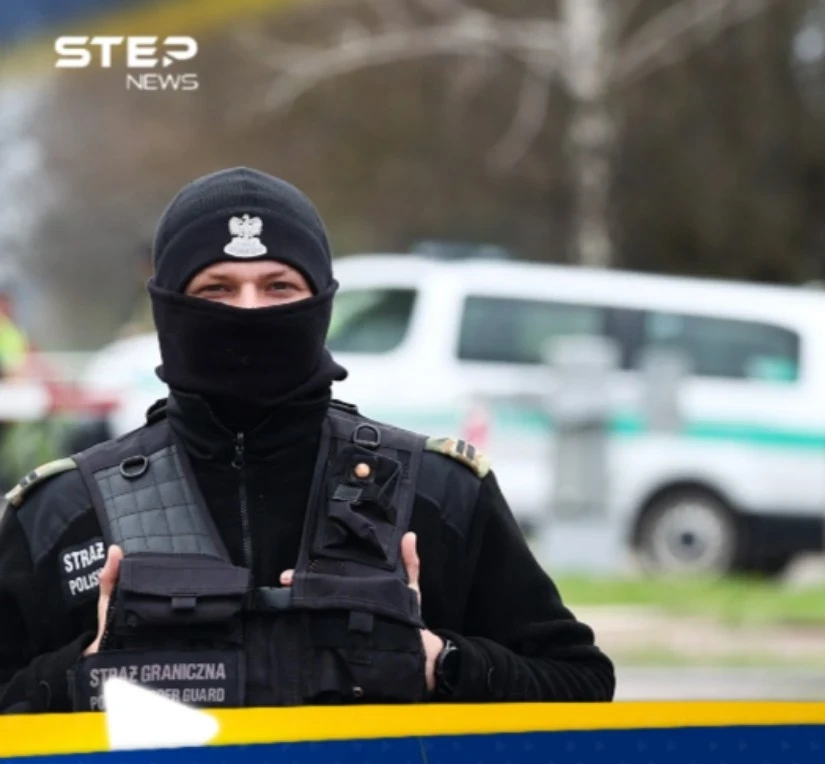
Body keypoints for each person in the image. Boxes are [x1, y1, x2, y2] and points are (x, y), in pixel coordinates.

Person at [0, 167, 615, 713]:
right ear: (168, 307)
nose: (249, 312)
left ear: (319, 303)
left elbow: (579, 682)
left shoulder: (437, 493)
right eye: (216, 289)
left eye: (279, 287)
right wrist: (81, 674)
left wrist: (442, 663)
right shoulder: (62, 514)